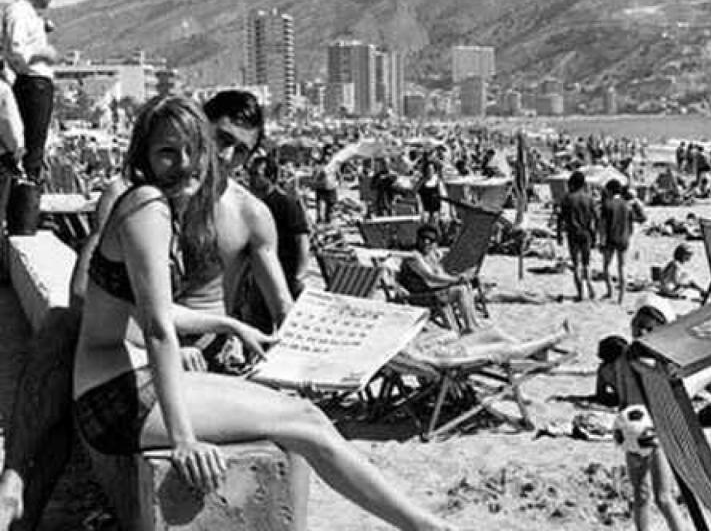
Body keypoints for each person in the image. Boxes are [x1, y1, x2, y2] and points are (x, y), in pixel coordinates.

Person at [70, 96, 454, 531]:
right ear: (144, 156)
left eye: (192, 150)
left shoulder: (159, 206)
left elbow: (152, 308)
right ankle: (426, 528)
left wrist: (227, 323)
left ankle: (422, 526)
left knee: (302, 419)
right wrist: (184, 440)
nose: (183, 164)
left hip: (117, 386)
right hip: (116, 398)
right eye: (166, 152)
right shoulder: (149, 208)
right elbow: (157, 329)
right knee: (304, 423)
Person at [0, 90, 300, 531]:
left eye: (242, 149)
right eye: (220, 138)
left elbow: (286, 310)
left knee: (66, 373)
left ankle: (20, 498)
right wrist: (154, 344)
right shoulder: (133, 197)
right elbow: (82, 291)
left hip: (207, 354)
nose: (227, 155)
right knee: (62, 326)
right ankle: (15, 483)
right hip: (139, 341)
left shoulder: (250, 214)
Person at [597, 294, 711, 531]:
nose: (640, 332)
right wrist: (623, 431)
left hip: (659, 429)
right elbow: (623, 399)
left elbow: (677, 386)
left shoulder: (664, 361)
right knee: (640, 493)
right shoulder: (624, 359)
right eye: (637, 326)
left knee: (664, 497)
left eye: (648, 327)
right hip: (635, 430)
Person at [1, 0, 58, 183]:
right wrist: (41, 55)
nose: (50, 0)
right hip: (32, 83)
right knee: (31, 149)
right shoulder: (19, 11)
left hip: (34, 82)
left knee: (35, 146)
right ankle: (26, 198)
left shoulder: (28, 13)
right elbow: (16, 50)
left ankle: (28, 189)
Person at [398, 223, 483, 332]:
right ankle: (470, 326)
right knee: (460, 290)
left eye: (430, 239)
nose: (426, 242)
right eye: (423, 238)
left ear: (435, 243)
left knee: (466, 286)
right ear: (418, 239)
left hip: (431, 292)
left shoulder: (432, 254)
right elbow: (431, 277)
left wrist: (460, 277)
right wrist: (455, 280)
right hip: (419, 297)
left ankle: (472, 324)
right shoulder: (414, 256)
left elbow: (440, 273)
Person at [247, 155, 310, 300]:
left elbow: (302, 239)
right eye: (250, 173)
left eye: (256, 174)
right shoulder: (253, 203)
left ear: (271, 177)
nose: (250, 179)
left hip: (284, 272)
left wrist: (300, 275)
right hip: (259, 273)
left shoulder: (285, 204)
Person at [600, 179, 644, 303]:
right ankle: (621, 297)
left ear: (609, 190)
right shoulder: (627, 205)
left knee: (607, 266)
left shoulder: (607, 205)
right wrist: (628, 236)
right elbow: (631, 224)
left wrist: (601, 241)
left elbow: (602, 225)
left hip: (610, 238)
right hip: (623, 238)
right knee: (622, 267)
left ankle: (610, 292)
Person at [556, 170, 597, 301]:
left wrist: (558, 235)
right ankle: (590, 288)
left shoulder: (567, 198)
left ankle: (580, 293)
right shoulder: (589, 198)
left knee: (576, 264)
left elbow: (560, 218)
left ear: (572, 184)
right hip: (586, 233)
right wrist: (595, 235)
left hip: (572, 234)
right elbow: (595, 218)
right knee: (586, 263)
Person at [415, 158, 443, 226]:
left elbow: (442, 196)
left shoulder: (438, 182)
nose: (429, 171)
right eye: (428, 170)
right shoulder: (421, 181)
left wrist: (442, 211)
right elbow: (414, 191)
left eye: (431, 170)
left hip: (436, 210)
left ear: (434, 170)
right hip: (424, 210)